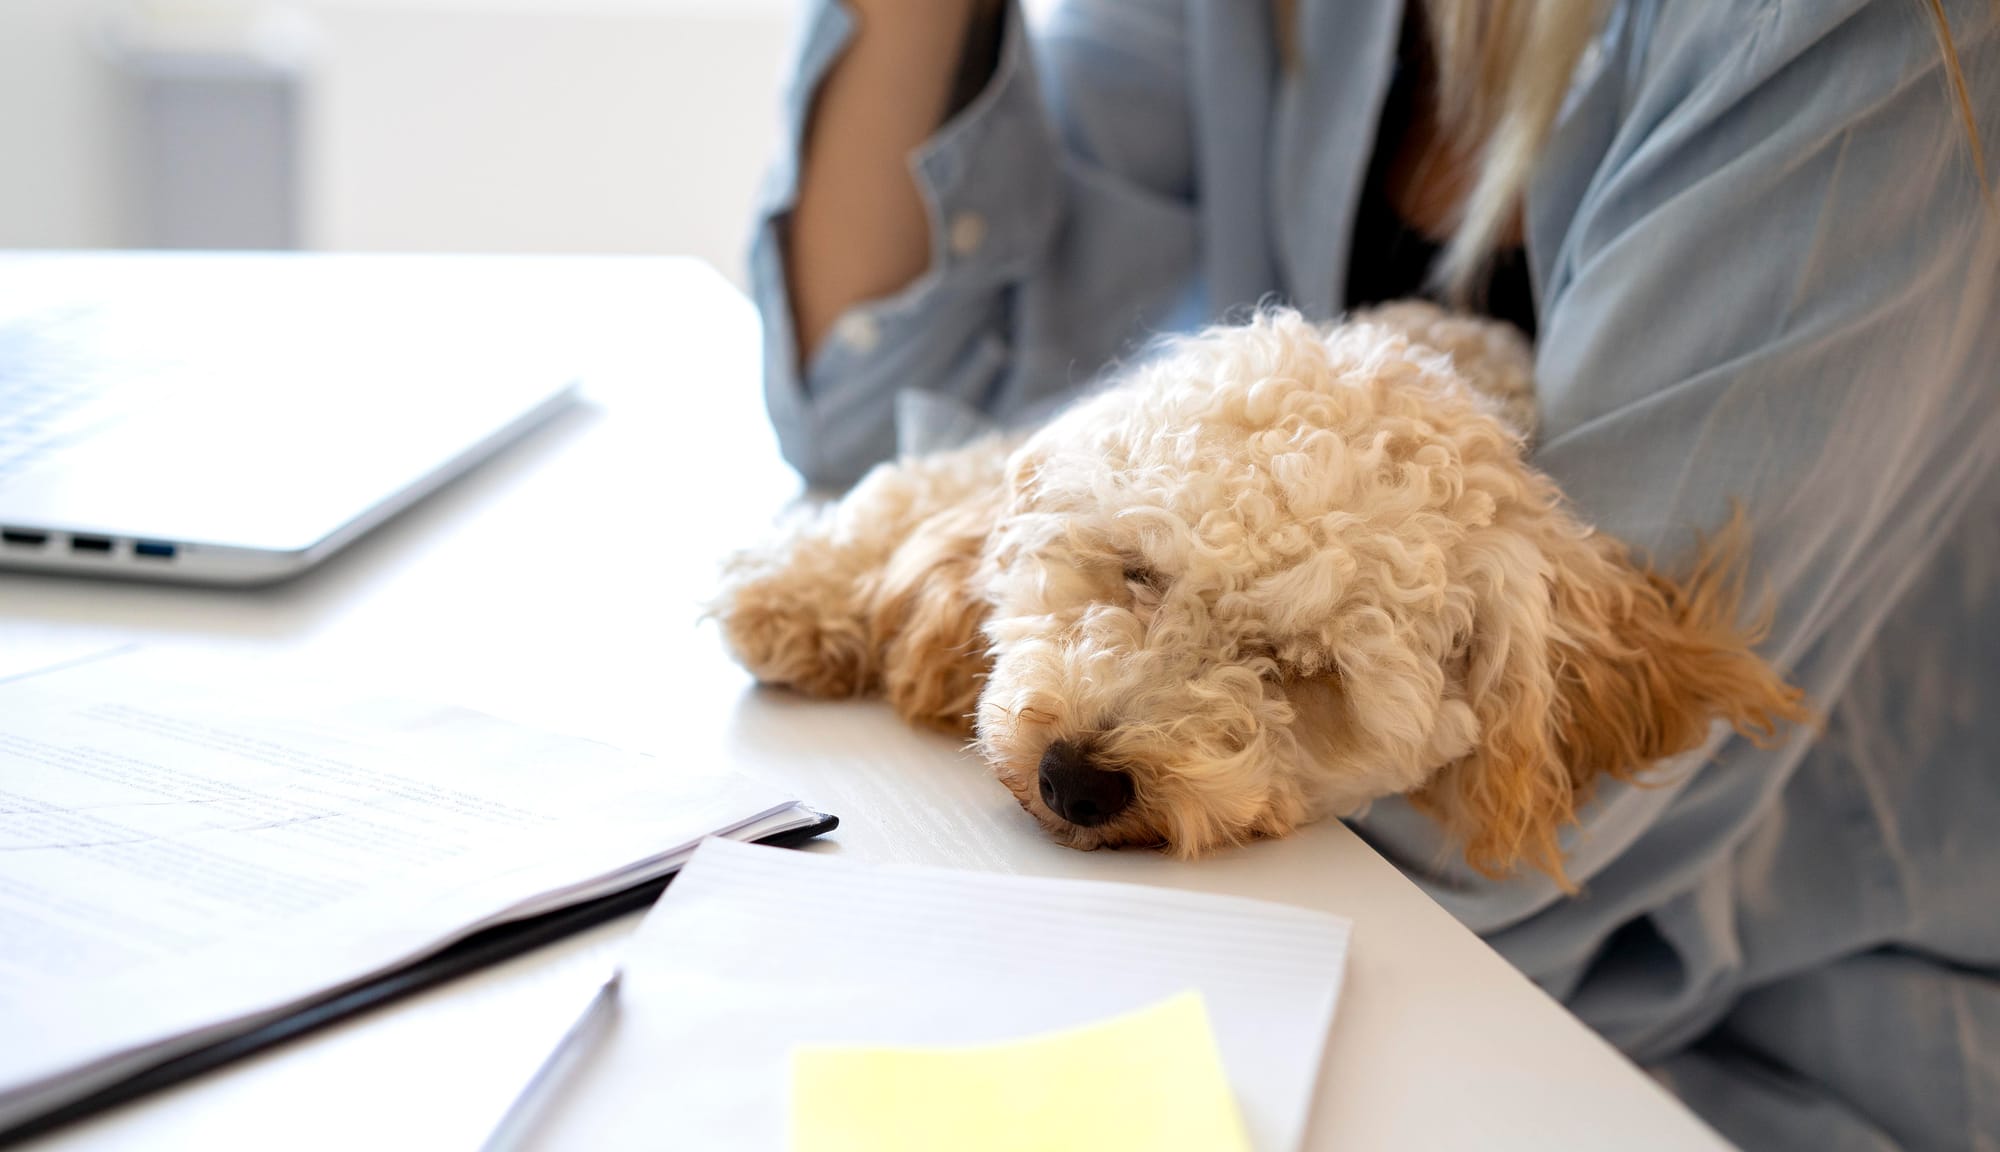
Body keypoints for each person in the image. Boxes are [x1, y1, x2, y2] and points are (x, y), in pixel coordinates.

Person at [747, 2, 2000, 1147]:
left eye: (1287, 665)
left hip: (1746, 1036)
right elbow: (877, 410)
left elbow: (1521, 857)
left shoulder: (1862, 33)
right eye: (1135, 582)